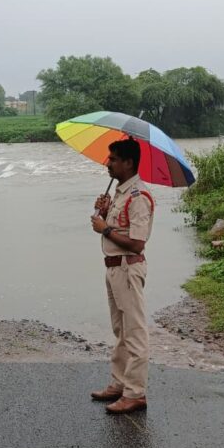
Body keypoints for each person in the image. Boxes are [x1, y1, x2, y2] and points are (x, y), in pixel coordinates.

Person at [89, 137, 155, 414]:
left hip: (127, 268)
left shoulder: (139, 197)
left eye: (113, 159)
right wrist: (104, 213)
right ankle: (119, 384)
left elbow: (138, 243)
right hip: (114, 268)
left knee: (134, 331)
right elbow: (120, 228)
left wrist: (104, 228)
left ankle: (135, 393)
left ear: (128, 163)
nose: (108, 164)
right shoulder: (121, 193)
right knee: (120, 330)